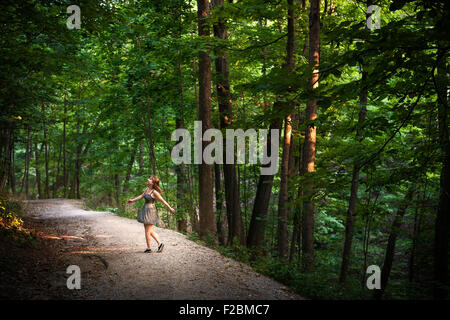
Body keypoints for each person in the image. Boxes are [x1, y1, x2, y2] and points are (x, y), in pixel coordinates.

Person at [126, 176, 176, 253]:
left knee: (147, 231)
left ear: (153, 183)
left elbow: (163, 200)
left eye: (150, 179)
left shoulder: (154, 192)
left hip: (151, 212)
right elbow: (141, 196)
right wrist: (132, 200)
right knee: (149, 230)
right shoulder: (147, 189)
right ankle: (160, 244)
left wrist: (170, 208)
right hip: (145, 210)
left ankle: (148, 248)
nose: (148, 180)